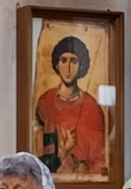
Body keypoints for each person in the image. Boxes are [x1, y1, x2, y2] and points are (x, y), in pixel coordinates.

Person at [34, 37, 106, 176]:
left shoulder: (92, 108)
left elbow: (99, 160)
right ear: (57, 64)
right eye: (63, 60)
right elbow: (40, 159)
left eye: (74, 61)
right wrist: (64, 149)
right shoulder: (46, 101)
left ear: (81, 66)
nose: (68, 68)